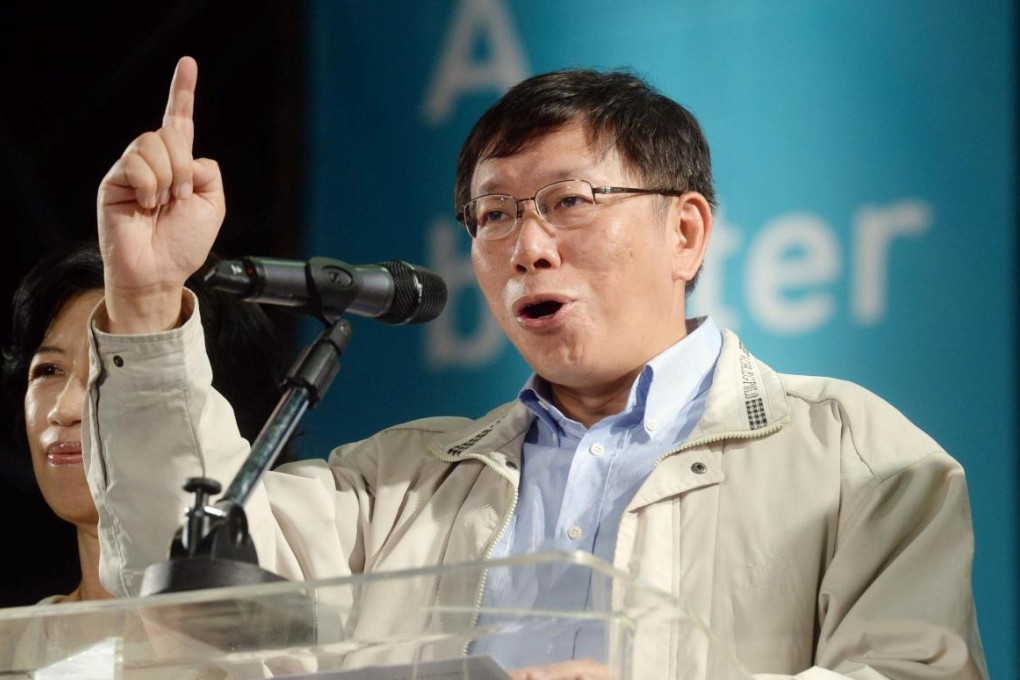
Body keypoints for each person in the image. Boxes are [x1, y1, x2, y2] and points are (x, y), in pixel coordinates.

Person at [81, 56, 986, 679]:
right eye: (495, 216)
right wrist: (147, 299)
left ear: (685, 232)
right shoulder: (395, 487)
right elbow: (183, 574)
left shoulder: (854, 457)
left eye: (569, 201)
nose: (528, 247)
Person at [2, 240, 291, 604]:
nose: (64, 408)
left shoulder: (282, 633)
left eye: (109, 372)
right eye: (49, 370)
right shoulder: (15, 639)